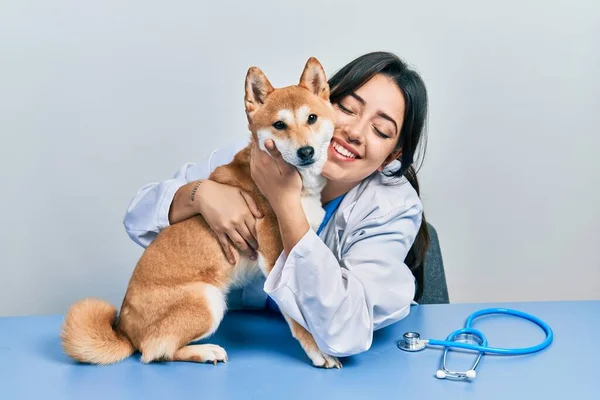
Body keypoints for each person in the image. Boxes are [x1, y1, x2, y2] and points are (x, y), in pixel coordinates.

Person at [122, 51, 430, 358]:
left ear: (392, 156)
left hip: (300, 348)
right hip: (238, 337)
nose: (353, 131)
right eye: (348, 109)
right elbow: (138, 219)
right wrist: (200, 193)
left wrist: (284, 203)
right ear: (325, 101)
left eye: (381, 130)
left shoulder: (392, 208)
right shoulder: (254, 155)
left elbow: (344, 331)